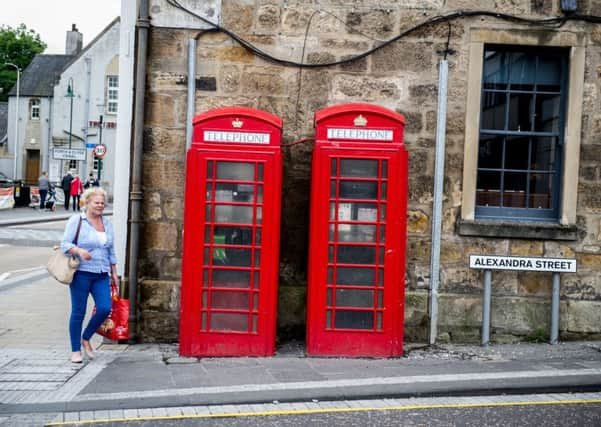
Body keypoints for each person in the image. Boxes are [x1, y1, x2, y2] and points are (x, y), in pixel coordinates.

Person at [60, 187, 119, 363]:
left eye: (102, 202)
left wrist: (114, 271)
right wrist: (79, 250)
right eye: (97, 202)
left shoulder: (107, 223)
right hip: (81, 273)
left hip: (101, 273)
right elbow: (64, 244)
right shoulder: (77, 220)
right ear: (87, 202)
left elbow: (110, 249)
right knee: (78, 312)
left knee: (104, 308)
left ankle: (86, 337)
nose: (100, 205)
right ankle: (75, 350)